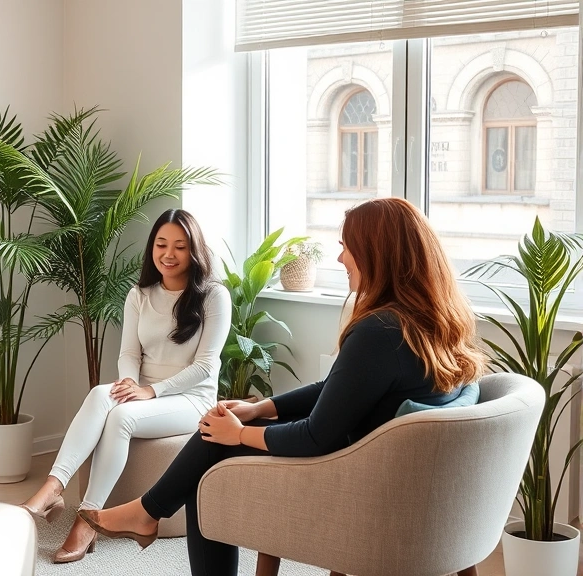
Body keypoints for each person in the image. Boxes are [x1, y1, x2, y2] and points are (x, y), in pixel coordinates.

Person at [78, 197, 487, 575]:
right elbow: (337, 388)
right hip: (392, 477)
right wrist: (261, 408)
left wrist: (239, 433)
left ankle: (148, 512)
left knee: (212, 447)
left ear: (377, 255)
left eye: (347, 247)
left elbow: (315, 436)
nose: (340, 257)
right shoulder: (430, 322)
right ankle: (148, 511)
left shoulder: (378, 332)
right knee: (217, 436)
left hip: (354, 485)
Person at [19, 209, 232, 563]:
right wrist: (130, 382)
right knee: (101, 393)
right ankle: (54, 487)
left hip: (191, 398)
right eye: (161, 244)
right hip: (144, 390)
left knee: (121, 418)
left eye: (179, 246)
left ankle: (89, 520)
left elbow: (206, 366)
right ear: (152, 248)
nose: (168, 253)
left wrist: (152, 391)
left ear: (194, 250)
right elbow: (129, 352)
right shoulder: (140, 294)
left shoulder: (214, 296)